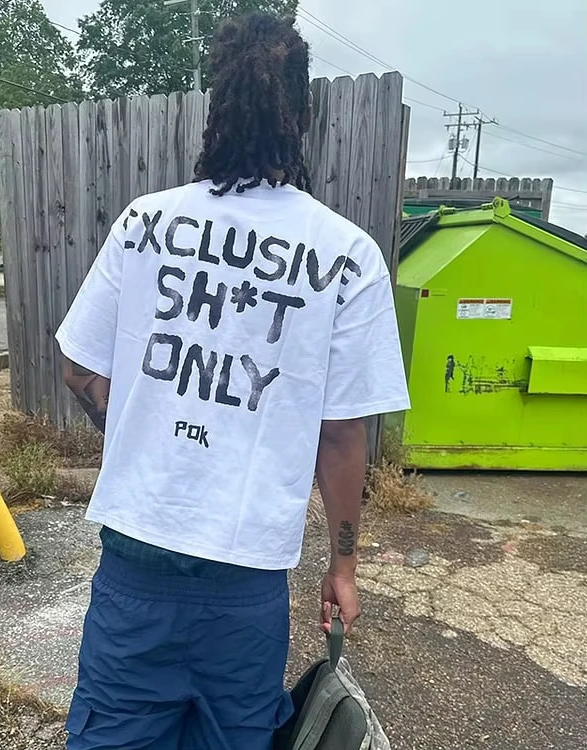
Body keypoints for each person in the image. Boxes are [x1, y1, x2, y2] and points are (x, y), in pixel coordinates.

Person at [55, 11, 409, 750]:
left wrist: (139, 427)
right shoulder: (348, 255)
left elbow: (79, 367)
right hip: (247, 575)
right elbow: (342, 434)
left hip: (137, 556)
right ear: (302, 115)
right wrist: (343, 566)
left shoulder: (145, 224)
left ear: (216, 107)